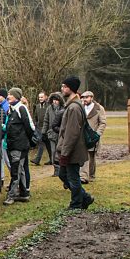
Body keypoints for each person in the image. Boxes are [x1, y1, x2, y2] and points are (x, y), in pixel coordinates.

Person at [56, 76, 94, 210]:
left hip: (73, 150)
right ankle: (85, 198)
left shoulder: (74, 108)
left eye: (64, 86)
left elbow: (71, 134)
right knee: (64, 175)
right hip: (70, 149)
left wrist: (65, 153)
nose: (62, 89)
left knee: (72, 178)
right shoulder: (72, 105)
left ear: (70, 88)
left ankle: (76, 204)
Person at [2, 87, 34, 205]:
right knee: (20, 170)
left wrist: (27, 141)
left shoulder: (21, 108)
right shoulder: (11, 109)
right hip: (13, 144)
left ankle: (12, 195)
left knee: (16, 170)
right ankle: (24, 194)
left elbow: (30, 127)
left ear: (16, 96)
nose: (8, 96)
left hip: (19, 145)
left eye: (10, 94)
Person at [80, 90, 107, 184]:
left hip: (93, 136)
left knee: (92, 157)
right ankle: (83, 176)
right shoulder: (80, 107)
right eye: (83, 97)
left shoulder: (99, 108)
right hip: (82, 136)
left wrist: (97, 134)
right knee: (84, 156)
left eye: (86, 97)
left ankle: (91, 175)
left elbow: (103, 123)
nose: (84, 99)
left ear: (91, 97)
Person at [44, 93, 65, 177]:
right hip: (51, 133)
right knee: (53, 152)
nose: (55, 102)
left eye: (57, 100)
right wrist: (43, 132)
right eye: (53, 100)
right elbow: (46, 120)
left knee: (60, 152)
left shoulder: (64, 109)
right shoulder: (49, 108)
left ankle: (62, 169)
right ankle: (56, 170)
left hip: (61, 133)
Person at [31, 92, 51, 166]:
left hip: (47, 128)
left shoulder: (49, 106)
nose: (40, 99)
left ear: (46, 97)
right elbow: (35, 117)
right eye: (39, 97)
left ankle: (51, 159)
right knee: (41, 142)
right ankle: (38, 159)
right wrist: (36, 125)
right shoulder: (37, 106)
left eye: (42, 97)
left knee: (48, 144)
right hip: (39, 128)